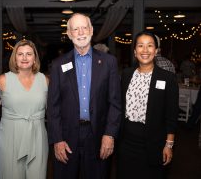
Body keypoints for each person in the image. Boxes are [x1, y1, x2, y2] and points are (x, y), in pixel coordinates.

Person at [47, 13, 122, 179]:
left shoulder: (109, 62)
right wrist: (57, 139)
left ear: (91, 30)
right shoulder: (58, 64)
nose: (81, 32)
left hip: (98, 135)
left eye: (84, 27)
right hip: (66, 137)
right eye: (75, 29)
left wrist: (110, 134)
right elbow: (53, 106)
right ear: (69, 34)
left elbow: (115, 103)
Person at [117, 31, 179, 179]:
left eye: (150, 46)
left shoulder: (167, 78)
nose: (145, 50)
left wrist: (169, 145)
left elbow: (172, 115)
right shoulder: (126, 74)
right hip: (126, 143)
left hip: (153, 144)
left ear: (156, 51)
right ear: (134, 51)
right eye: (140, 46)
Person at [0, 39, 48, 179]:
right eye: (20, 54)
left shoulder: (45, 80)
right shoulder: (2, 80)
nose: (24, 58)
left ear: (35, 58)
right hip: (10, 137)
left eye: (29, 54)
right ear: (15, 57)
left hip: (37, 136)